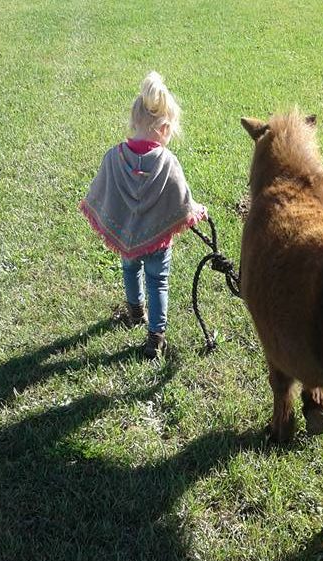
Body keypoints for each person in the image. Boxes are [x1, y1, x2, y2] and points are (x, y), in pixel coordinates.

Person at [80, 71, 207, 358]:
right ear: (164, 128)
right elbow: (183, 201)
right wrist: (198, 211)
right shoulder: (168, 162)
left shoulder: (114, 158)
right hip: (158, 242)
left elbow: (100, 192)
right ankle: (156, 337)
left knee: (129, 268)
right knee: (157, 281)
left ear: (134, 121)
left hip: (126, 234)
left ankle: (135, 311)